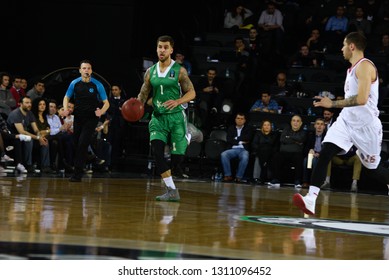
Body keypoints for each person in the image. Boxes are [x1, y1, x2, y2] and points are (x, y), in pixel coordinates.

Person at [293, 32, 389, 216]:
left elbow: (361, 99)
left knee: (374, 170)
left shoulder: (365, 66)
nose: (341, 49)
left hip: (366, 126)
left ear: (352, 46)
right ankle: (311, 199)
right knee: (326, 151)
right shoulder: (351, 69)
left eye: (344, 45)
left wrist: (333, 104)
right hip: (346, 120)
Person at [136, 35, 196, 202]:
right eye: (159, 47)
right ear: (157, 49)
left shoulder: (180, 70)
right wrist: (135, 107)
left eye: (165, 47)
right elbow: (143, 94)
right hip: (158, 118)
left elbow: (192, 92)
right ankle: (171, 191)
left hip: (176, 117)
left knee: (177, 161)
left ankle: (188, 136)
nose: (162, 50)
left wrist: (178, 101)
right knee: (157, 153)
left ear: (171, 50)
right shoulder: (150, 72)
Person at [62, 59, 110, 182]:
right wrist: (66, 109)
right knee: (76, 143)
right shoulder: (74, 83)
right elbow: (66, 97)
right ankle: (91, 158)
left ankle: (77, 174)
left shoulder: (97, 84)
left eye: (88, 68)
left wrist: (101, 111)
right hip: (78, 117)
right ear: (80, 70)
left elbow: (106, 103)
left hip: (91, 118)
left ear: (91, 70)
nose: (86, 70)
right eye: (84, 68)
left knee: (83, 144)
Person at [221, 112, 253, 183]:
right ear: (235, 119)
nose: (240, 120)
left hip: (243, 149)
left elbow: (248, 138)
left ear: (244, 120)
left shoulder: (248, 128)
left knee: (245, 157)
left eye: (242, 119)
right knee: (224, 154)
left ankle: (239, 177)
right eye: (238, 118)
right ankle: (228, 175)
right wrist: (240, 141)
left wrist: (235, 138)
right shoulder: (231, 128)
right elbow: (229, 139)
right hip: (233, 149)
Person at [251, 119, 279, 184]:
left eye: (268, 125)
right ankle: (257, 177)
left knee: (269, 154)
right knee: (260, 155)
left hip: (270, 153)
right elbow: (254, 144)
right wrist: (261, 149)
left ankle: (263, 177)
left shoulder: (274, 135)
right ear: (262, 126)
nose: (267, 126)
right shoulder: (258, 134)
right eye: (265, 125)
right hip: (259, 152)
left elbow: (275, 146)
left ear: (271, 126)